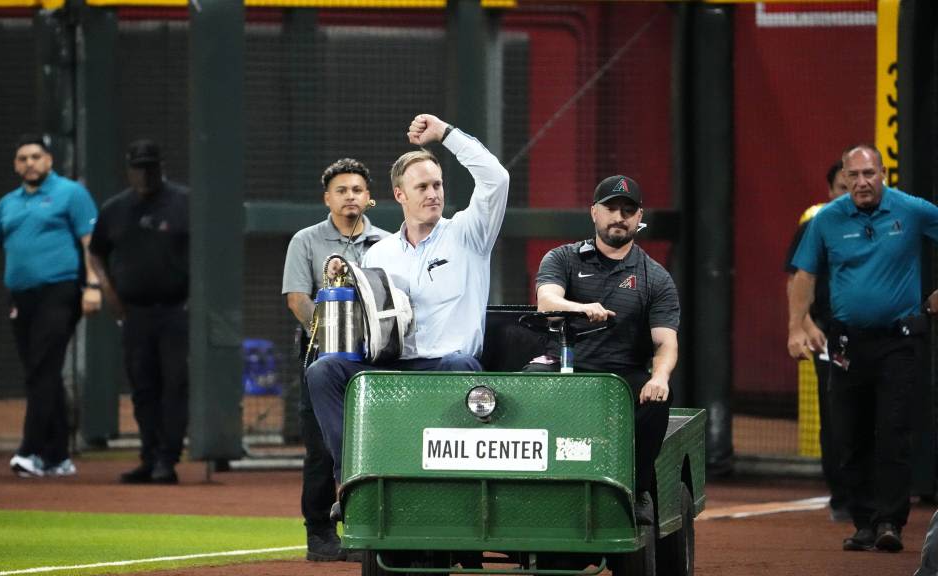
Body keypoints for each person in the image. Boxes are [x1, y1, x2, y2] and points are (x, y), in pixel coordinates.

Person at [306, 113, 510, 487]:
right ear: (400, 195)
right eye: (422, 187)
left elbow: (496, 178)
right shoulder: (378, 254)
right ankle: (351, 477)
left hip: (448, 367)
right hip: (393, 367)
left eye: (438, 185)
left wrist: (445, 134)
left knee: (460, 363)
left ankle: (461, 489)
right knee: (324, 370)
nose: (433, 193)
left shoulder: (469, 234)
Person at [788, 144, 938, 553]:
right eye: (853, 176)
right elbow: (804, 275)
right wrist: (795, 327)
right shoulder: (828, 220)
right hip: (846, 343)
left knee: (893, 431)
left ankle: (889, 521)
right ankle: (863, 523)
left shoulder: (911, 210)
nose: (860, 183)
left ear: (883, 174)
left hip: (898, 341)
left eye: (868, 174)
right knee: (847, 435)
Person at [522, 174, 679, 525]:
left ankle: (636, 490)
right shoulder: (562, 258)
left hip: (620, 373)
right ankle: (524, 485)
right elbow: (547, 301)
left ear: (639, 218)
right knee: (524, 388)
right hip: (561, 362)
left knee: (656, 399)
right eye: (610, 208)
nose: (619, 217)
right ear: (594, 212)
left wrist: (661, 377)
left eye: (628, 210)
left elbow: (665, 342)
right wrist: (581, 308)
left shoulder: (655, 277)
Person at [0, 134, 100, 478]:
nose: (29, 163)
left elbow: (92, 243)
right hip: (20, 297)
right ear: (16, 165)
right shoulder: (7, 204)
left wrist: (92, 285)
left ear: (49, 161)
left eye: (36, 156)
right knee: (42, 371)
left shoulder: (71, 194)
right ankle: (58, 456)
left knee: (41, 367)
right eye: (23, 158)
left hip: (60, 290)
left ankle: (30, 451)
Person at [282, 158, 388, 561]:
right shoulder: (305, 241)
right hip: (319, 360)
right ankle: (320, 533)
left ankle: (367, 529)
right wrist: (333, 335)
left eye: (357, 190)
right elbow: (296, 299)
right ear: (327, 198)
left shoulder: (387, 242)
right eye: (341, 191)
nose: (350, 197)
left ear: (369, 198)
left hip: (372, 360)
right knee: (321, 448)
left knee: (373, 445)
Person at [88, 139, 190, 485]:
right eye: (138, 168)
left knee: (174, 384)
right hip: (135, 313)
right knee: (142, 387)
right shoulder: (115, 209)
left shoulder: (184, 203)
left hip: (176, 308)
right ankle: (149, 455)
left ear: (160, 167)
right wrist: (106, 289)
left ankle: (167, 458)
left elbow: (208, 251)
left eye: (150, 167)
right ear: (129, 170)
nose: (144, 174)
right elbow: (96, 252)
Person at [783, 160, 849, 522]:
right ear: (830, 192)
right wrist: (804, 324)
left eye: (862, 178)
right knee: (835, 416)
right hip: (828, 334)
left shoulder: (889, 221)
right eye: (843, 184)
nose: (852, 190)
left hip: (879, 335)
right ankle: (842, 497)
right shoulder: (816, 224)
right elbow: (796, 279)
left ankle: (878, 500)